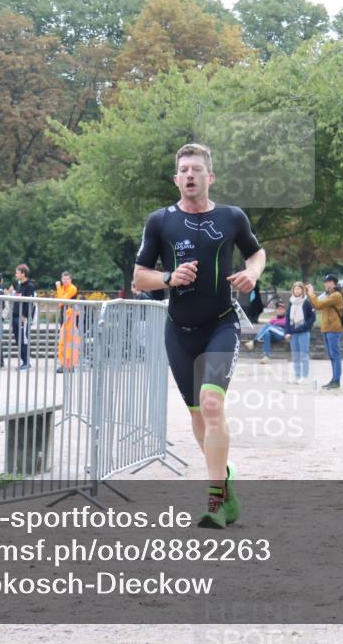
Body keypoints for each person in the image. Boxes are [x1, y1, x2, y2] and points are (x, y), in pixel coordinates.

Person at [133, 142, 265, 529]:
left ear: (211, 177)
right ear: (176, 179)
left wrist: (252, 274)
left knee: (211, 404)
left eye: (197, 169)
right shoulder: (160, 221)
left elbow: (256, 253)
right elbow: (140, 277)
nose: (190, 175)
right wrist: (169, 277)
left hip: (221, 324)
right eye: (184, 170)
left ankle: (215, 500)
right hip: (179, 331)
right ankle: (224, 482)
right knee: (197, 418)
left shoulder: (232, 217)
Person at [306, 274, 343, 390]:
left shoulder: (336, 295)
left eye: (327, 282)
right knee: (332, 355)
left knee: (335, 355)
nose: (325, 283)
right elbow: (317, 303)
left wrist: (311, 293)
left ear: (332, 283)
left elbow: (319, 304)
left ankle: (336, 380)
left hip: (333, 328)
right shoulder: (329, 294)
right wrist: (311, 296)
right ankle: (334, 379)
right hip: (328, 328)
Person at [286, 283, 315, 384]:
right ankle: (297, 375)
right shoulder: (291, 302)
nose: (297, 291)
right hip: (293, 333)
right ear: (293, 290)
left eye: (299, 289)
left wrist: (304, 326)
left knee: (303, 355)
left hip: (303, 332)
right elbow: (287, 318)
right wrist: (287, 331)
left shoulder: (306, 302)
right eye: (295, 289)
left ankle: (304, 376)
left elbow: (312, 317)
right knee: (295, 355)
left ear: (302, 290)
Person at [10, 264, 36, 371]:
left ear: (23, 274)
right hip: (16, 315)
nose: (16, 274)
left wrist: (24, 315)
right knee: (18, 339)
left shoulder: (29, 286)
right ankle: (23, 361)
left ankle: (26, 362)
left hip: (23, 317)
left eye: (17, 272)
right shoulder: (19, 285)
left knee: (23, 339)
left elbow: (30, 302)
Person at [56, 271, 79, 371]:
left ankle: (69, 365)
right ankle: (65, 364)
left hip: (70, 317)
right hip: (65, 316)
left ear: (71, 280)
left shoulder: (72, 288)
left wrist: (58, 287)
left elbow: (61, 301)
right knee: (63, 341)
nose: (65, 281)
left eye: (67, 279)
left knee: (68, 341)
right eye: (63, 279)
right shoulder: (63, 288)